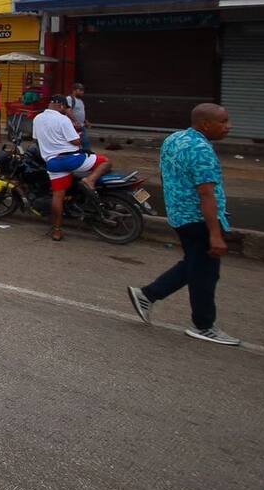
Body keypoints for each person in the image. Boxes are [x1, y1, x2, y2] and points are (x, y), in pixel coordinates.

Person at [129, 104, 239, 346]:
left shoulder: (175, 139)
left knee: (196, 265)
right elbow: (206, 193)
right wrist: (215, 234)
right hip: (199, 218)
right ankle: (204, 325)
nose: (228, 126)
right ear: (205, 124)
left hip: (179, 214)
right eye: (224, 121)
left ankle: (148, 294)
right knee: (205, 273)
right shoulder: (201, 149)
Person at [33, 94, 112, 241]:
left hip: (53, 163)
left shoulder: (37, 119)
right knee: (106, 162)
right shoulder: (63, 119)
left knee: (58, 196)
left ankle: (57, 231)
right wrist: (79, 133)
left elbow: (36, 140)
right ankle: (90, 181)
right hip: (72, 159)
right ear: (61, 106)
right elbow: (75, 142)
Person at [66, 82, 89, 152]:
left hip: (80, 125)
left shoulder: (81, 101)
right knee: (83, 143)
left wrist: (85, 121)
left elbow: (80, 112)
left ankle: (86, 155)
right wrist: (76, 121)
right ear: (74, 90)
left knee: (83, 143)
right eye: (80, 90)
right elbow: (68, 111)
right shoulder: (70, 98)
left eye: (83, 90)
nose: (82, 92)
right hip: (73, 126)